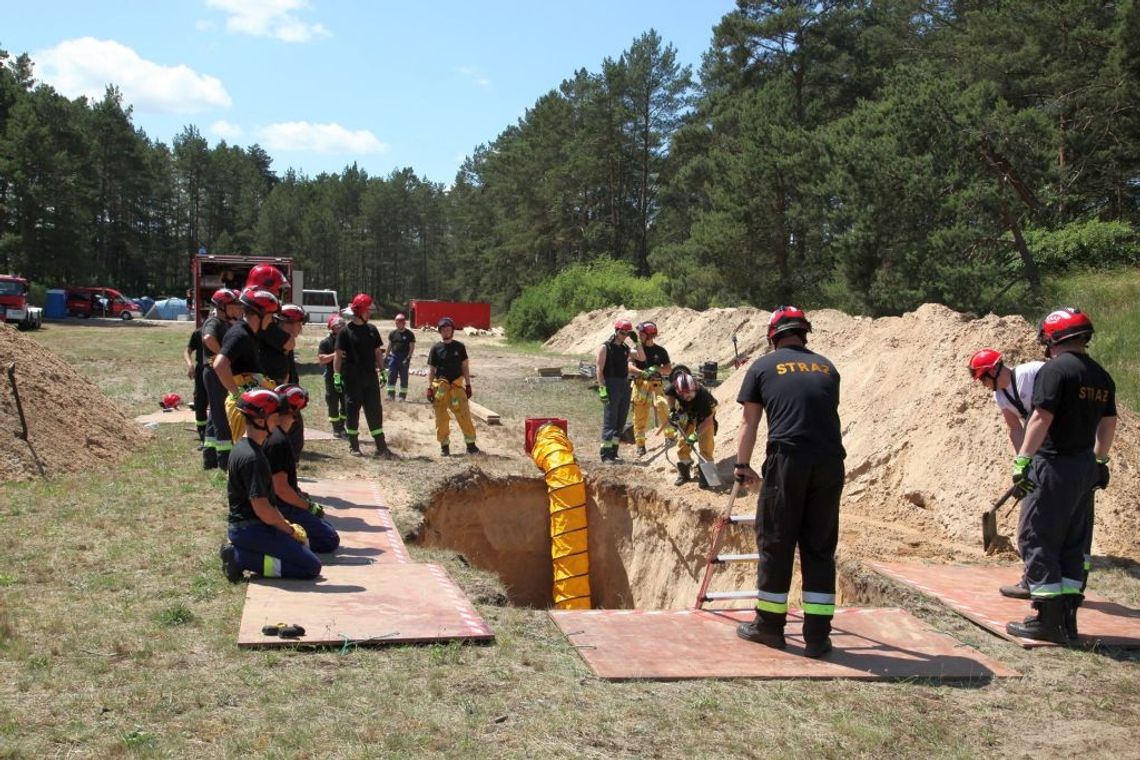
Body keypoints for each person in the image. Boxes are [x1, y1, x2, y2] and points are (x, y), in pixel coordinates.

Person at [733, 306, 845, 659]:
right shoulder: (828, 367)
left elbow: (749, 424)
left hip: (788, 461)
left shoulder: (762, 367)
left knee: (777, 543)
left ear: (773, 336)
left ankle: (768, 627)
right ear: (804, 333)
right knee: (819, 548)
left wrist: (741, 465)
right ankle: (817, 637)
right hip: (830, 463)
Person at [1005, 308, 1116, 645]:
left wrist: (1023, 459)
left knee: (1037, 537)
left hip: (1054, 465)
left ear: (1052, 338)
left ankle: (1047, 620)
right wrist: (1100, 460)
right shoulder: (1101, 376)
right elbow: (1109, 423)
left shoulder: (1054, 371)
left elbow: (1040, 418)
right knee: (1073, 541)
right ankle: (1068, 618)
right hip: (1085, 467)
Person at [218, 388, 321, 583]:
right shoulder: (253, 459)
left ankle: (245, 553)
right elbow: (262, 508)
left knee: (304, 551)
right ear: (260, 420)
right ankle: (240, 557)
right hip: (251, 530)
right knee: (310, 567)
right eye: (275, 416)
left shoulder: (242, 447)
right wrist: (289, 530)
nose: (279, 419)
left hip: (246, 528)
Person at [968, 347, 1046, 599]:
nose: (981, 384)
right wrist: (1022, 462)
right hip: (1039, 447)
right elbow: (1015, 429)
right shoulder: (1000, 396)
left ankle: (1036, 577)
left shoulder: (1030, 373)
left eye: (982, 378)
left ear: (993, 370)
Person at [265, 384, 340, 553]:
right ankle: (274, 541)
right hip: (280, 506)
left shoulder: (273, 434)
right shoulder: (278, 442)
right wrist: (307, 507)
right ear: (294, 412)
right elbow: (281, 489)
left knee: (325, 525)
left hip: (277, 502)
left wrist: (301, 498)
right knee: (329, 539)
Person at [214, 288, 278, 445]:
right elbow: (219, 365)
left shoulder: (250, 334)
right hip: (246, 405)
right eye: (271, 316)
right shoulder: (240, 335)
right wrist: (237, 396)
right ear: (260, 314)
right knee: (250, 452)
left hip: (253, 401)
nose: (272, 320)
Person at [333, 293, 394, 458]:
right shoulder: (345, 332)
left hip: (370, 378)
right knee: (352, 410)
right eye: (368, 310)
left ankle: (381, 447)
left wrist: (382, 371)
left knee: (375, 411)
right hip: (352, 378)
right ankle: (354, 446)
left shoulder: (372, 330)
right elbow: (338, 355)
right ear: (359, 311)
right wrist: (336, 376)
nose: (370, 313)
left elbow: (377, 353)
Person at [426, 316, 479, 457]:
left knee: (464, 416)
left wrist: (468, 385)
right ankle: (444, 447)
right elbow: (431, 370)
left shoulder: (460, 347)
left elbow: (465, 366)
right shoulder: (435, 349)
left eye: (448, 328)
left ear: (452, 330)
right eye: (443, 329)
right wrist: (429, 388)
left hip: (457, 388)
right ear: (440, 331)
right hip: (441, 390)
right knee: (441, 419)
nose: (446, 330)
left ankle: (471, 445)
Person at [201, 289, 240, 469]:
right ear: (222, 307)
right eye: (233, 305)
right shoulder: (213, 322)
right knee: (222, 416)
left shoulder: (226, 323)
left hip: (217, 372)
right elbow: (208, 338)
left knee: (214, 415)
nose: (237, 308)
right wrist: (223, 355)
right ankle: (225, 461)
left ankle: (209, 458)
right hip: (214, 373)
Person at [595, 318, 645, 462]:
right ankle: (606, 455)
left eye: (627, 334)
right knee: (610, 421)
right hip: (611, 385)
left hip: (624, 385)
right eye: (622, 333)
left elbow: (641, 357)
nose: (624, 336)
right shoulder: (605, 347)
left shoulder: (625, 349)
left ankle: (614, 452)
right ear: (616, 331)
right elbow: (599, 369)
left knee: (620, 421)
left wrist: (637, 342)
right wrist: (602, 389)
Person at [664, 370, 718, 488]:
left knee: (706, 444)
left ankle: (708, 476)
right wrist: (672, 410)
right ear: (678, 391)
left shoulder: (703, 396)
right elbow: (669, 395)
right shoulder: (674, 387)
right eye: (684, 394)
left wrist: (695, 435)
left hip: (705, 415)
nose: (688, 396)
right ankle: (684, 471)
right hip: (689, 412)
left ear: (694, 388)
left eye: (690, 393)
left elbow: (708, 421)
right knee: (683, 443)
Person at [629, 321, 672, 457]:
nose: (639, 335)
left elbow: (669, 369)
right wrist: (642, 372)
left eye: (642, 333)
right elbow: (629, 366)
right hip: (640, 385)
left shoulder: (660, 351)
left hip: (656, 385)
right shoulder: (636, 349)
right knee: (639, 416)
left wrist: (657, 368)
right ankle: (640, 445)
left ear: (649, 335)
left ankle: (670, 436)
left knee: (662, 406)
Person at [274, 304, 307, 460]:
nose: (300, 328)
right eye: (298, 323)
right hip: (281, 398)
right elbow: (282, 375)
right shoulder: (280, 344)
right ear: (287, 323)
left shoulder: (287, 342)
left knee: (295, 437)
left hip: (288, 395)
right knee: (292, 437)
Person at [317, 315, 346, 437]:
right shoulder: (326, 342)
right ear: (332, 328)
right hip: (331, 377)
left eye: (342, 326)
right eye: (337, 326)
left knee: (346, 402)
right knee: (332, 402)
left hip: (347, 376)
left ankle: (341, 425)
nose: (340, 328)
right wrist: (336, 355)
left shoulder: (347, 340)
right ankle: (335, 427)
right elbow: (321, 359)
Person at [184, 326, 208, 447]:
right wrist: (190, 365)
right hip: (201, 370)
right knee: (200, 402)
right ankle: (203, 435)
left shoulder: (225, 329)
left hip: (217, 369)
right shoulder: (198, 333)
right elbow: (187, 351)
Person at [386, 312, 416, 401]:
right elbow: (390, 345)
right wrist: (387, 356)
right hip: (394, 357)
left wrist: (408, 358)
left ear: (403, 323)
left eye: (399, 322)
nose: (397, 324)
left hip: (404, 358)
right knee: (391, 376)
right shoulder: (393, 333)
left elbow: (412, 347)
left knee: (404, 377)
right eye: (396, 323)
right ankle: (390, 395)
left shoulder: (409, 334)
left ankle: (402, 396)